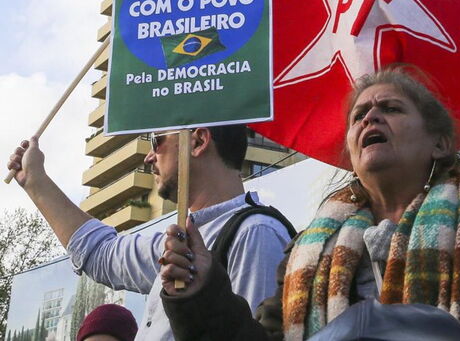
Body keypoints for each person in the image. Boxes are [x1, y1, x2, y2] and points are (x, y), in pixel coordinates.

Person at [157, 68, 460, 340]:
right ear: (351, 152)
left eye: (391, 108)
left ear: (439, 143)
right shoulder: (304, 252)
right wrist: (202, 295)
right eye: (359, 115)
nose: (370, 119)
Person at [7, 124, 293, 341]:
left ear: (198, 141)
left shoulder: (255, 233)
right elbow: (101, 254)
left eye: (157, 141)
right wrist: (35, 181)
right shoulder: (179, 241)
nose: (149, 157)